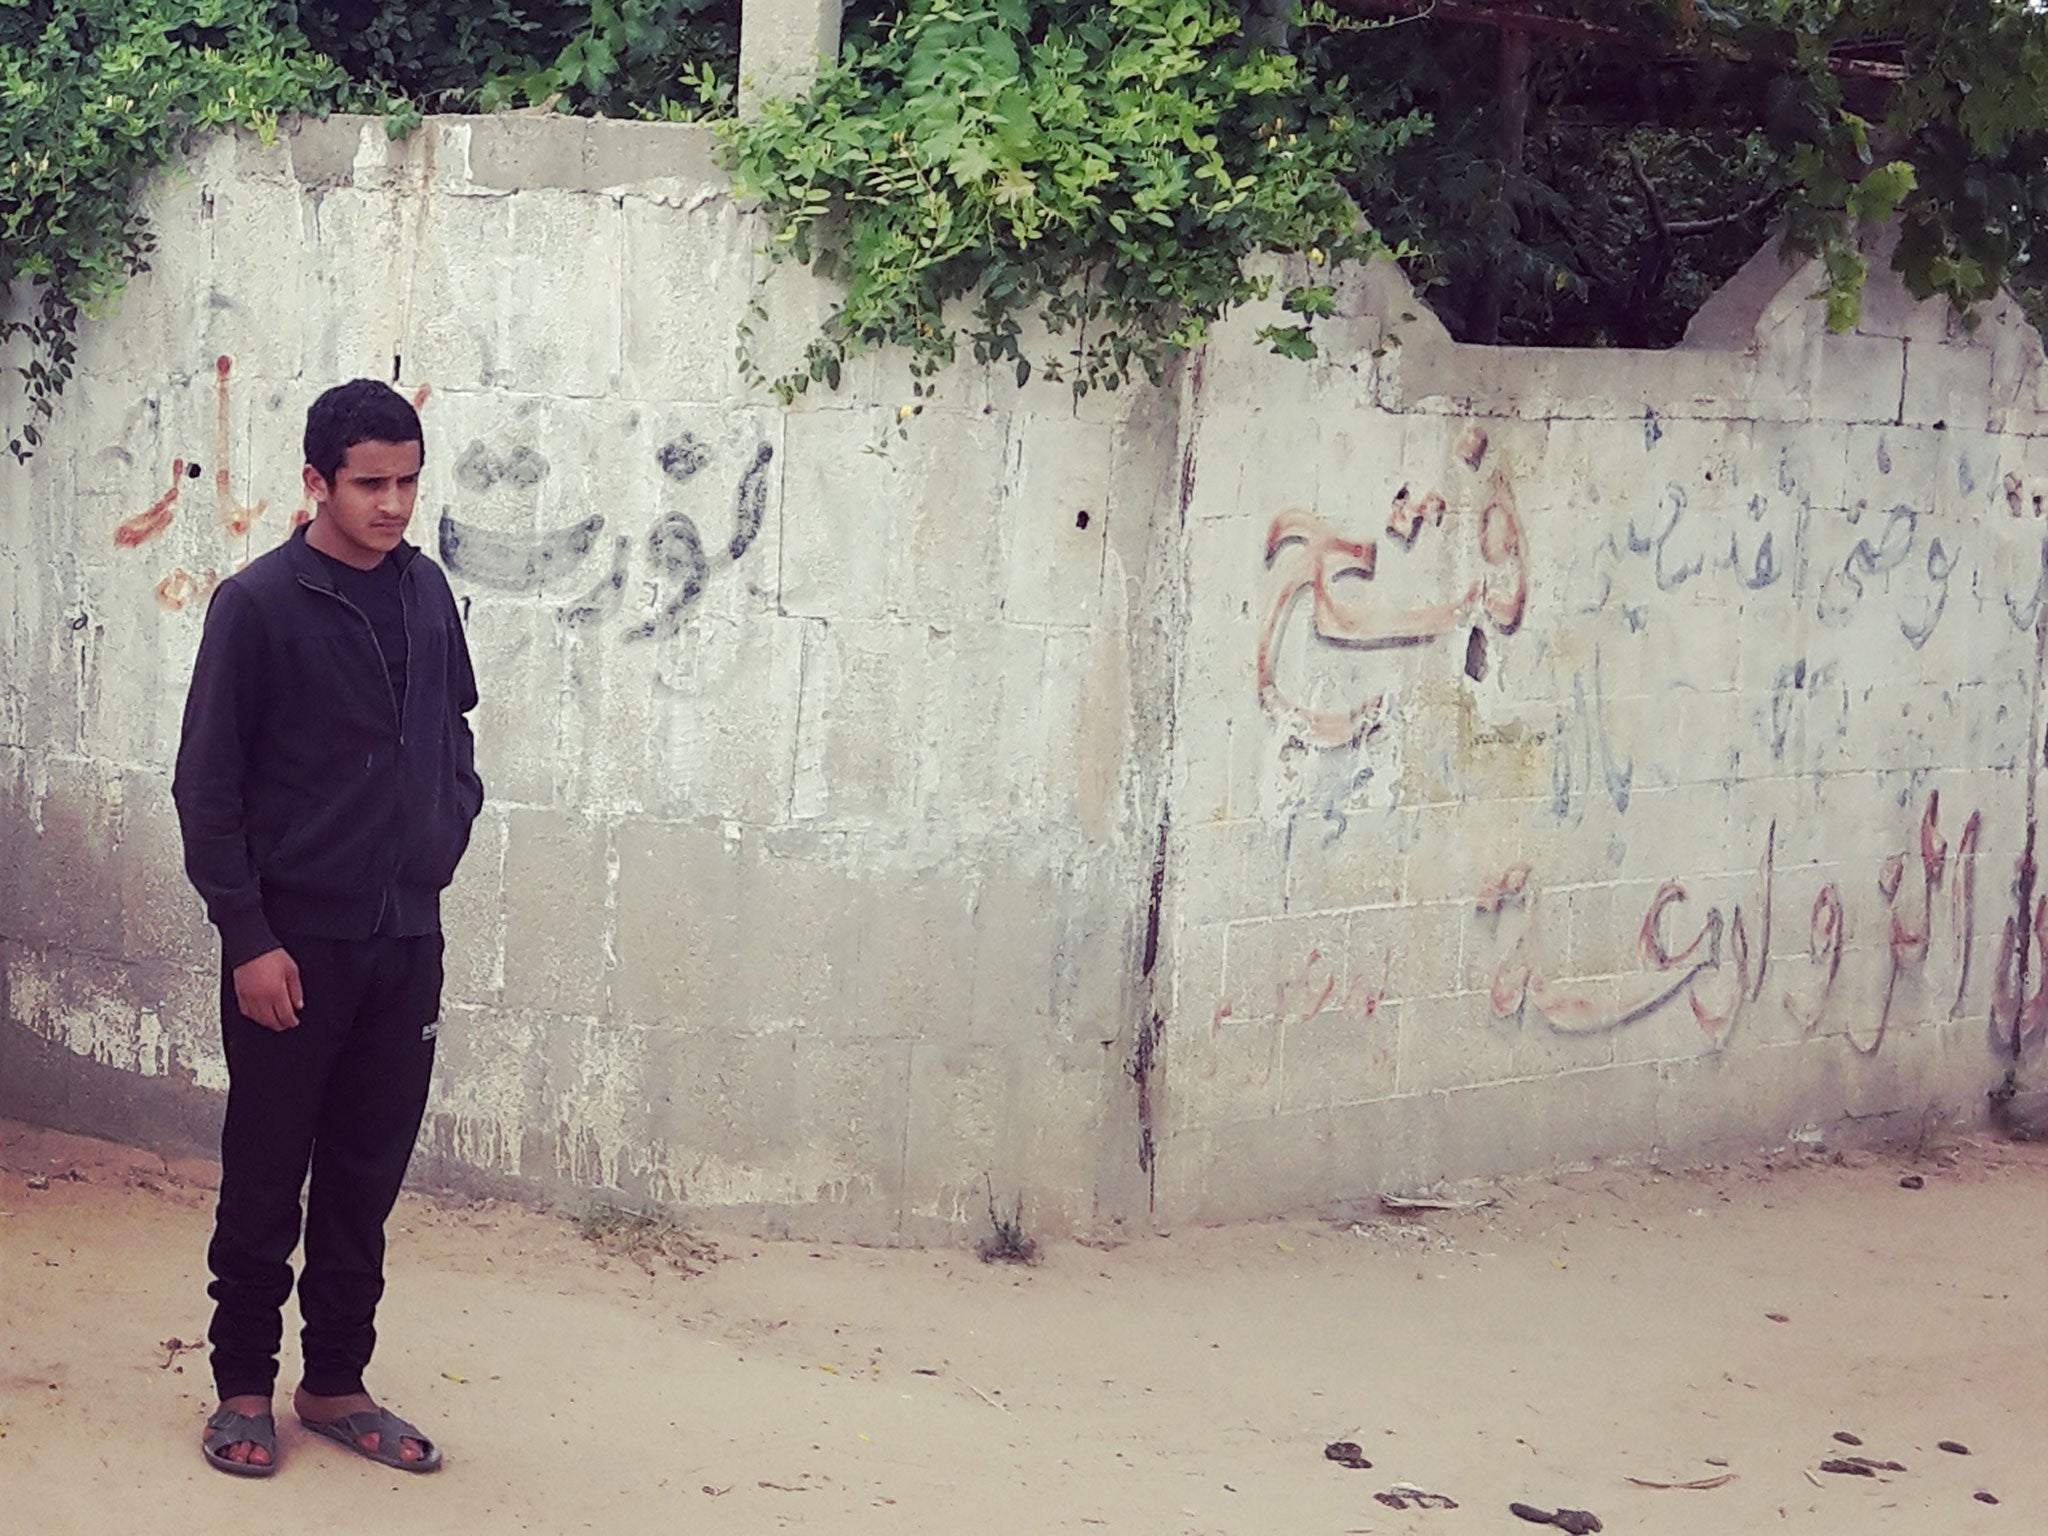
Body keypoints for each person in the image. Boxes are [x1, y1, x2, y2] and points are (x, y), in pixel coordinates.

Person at [173, 379, 483, 1476]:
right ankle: (243, 1389)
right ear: (316, 483)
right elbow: (206, 789)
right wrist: (249, 937)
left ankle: (335, 1382)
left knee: (364, 1179)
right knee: (266, 1176)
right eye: (369, 485)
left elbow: (451, 730)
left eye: (407, 481)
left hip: (406, 944)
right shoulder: (257, 607)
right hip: (289, 953)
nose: (393, 505)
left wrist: (447, 826)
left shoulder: (426, 592)